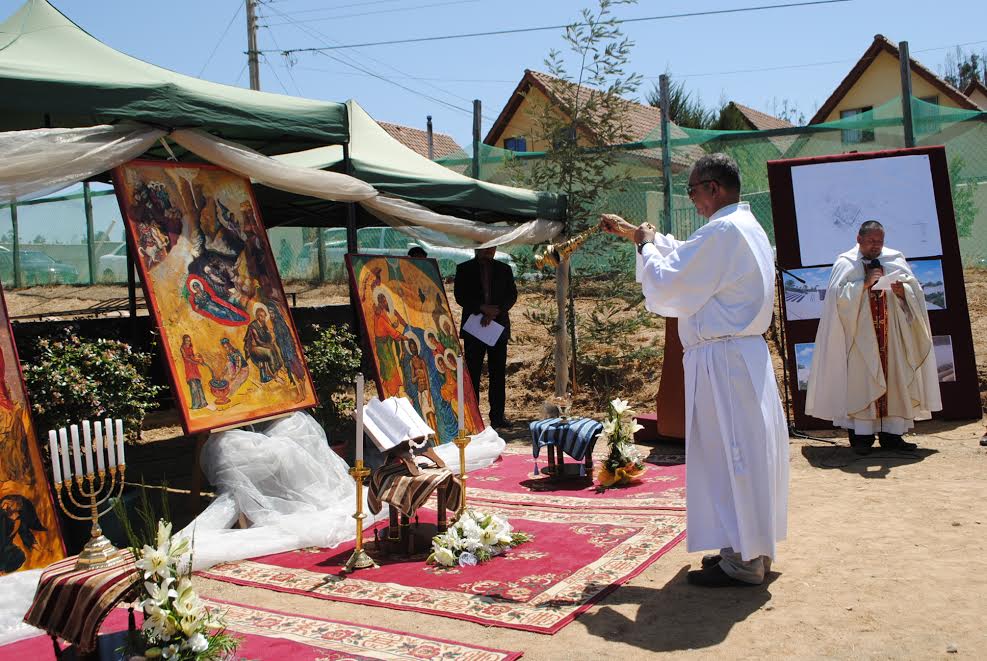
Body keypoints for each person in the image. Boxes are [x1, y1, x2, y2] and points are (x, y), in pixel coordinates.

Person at [601, 153, 789, 588]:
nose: (693, 200)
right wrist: (638, 236)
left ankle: (744, 561)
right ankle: (740, 548)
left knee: (731, 456)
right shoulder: (747, 228)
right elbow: (689, 258)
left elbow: (672, 281)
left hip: (725, 363)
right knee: (736, 455)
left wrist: (647, 245)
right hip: (739, 359)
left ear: (714, 188)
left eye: (693, 191)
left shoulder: (724, 230)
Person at [805, 221, 941, 454]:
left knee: (895, 382)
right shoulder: (846, 262)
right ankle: (861, 438)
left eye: (879, 241)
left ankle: (892, 436)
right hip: (860, 339)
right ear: (859, 239)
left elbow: (915, 291)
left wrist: (902, 291)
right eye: (871, 242)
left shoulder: (894, 258)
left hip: (893, 338)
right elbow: (836, 299)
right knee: (862, 382)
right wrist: (864, 284)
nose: (876, 246)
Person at [454, 247, 517, 429]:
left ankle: (497, 417)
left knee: (497, 374)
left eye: (492, 247)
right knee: (472, 373)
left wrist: (495, 311)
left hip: (498, 327)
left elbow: (512, 295)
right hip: (475, 327)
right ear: (477, 248)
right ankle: (471, 416)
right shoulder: (464, 269)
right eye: (485, 247)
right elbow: (460, 296)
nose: (489, 251)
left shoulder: (504, 269)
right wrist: (482, 308)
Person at [179, 334, 208, 409]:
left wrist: (199, 358)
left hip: (194, 367)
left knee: (198, 384)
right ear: (184, 341)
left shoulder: (191, 347)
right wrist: (195, 362)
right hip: (189, 367)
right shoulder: (182, 348)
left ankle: (203, 403)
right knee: (193, 386)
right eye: (187, 340)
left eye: (189, 340)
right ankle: (196, 405)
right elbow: (186, 358)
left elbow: (192, 356)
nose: (188, 342)